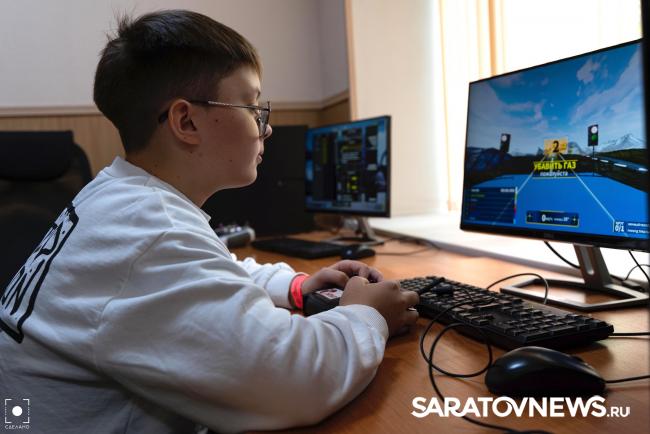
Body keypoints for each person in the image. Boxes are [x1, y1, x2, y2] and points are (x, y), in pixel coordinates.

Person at [0, 10, 419, 434]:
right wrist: (367, 314)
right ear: (186, 121)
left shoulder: (120, 198)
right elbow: (291, 380)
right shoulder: (151, 231)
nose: (266, 129)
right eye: (253, 107)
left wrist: (295, 286)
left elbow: (207, 271)